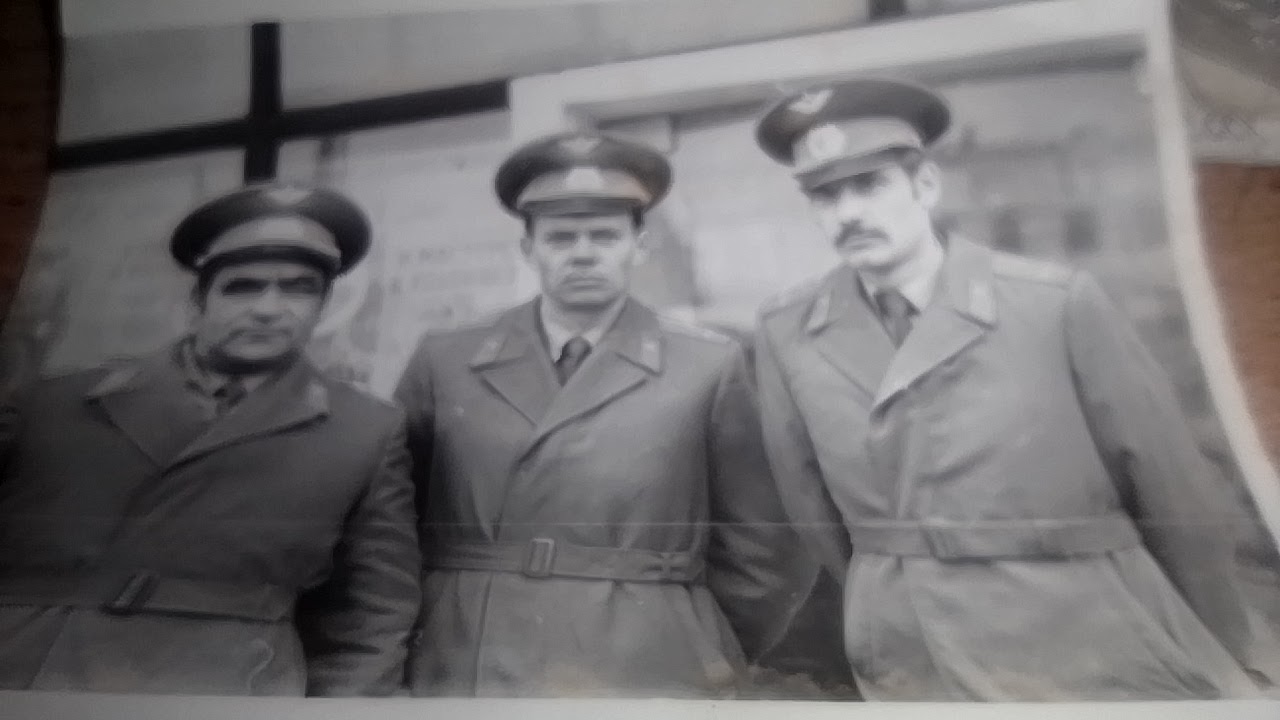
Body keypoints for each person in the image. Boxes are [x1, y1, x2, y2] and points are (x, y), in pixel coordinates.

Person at [751, 77, 1272, 700]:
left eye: (870, 185)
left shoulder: (1052, 303)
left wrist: (1229, 646)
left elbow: (1169, 488)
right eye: (825, 195)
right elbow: (814, 511)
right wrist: (889, 589)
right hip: (914, 647)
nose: (849, 213)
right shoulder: (788, 333)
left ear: (925, 186)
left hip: (1081, 628)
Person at [395, 132, 808, 698]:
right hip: (470, 651)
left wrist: (696, 638)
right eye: (560, 237)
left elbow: (764, 546)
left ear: (640, 245)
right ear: (528, 249)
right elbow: (388, 530)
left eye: (605, 236)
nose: (583, 253)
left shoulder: (707, 365)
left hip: (643, 656)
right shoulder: (446, 361)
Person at [0, 184, 421, 696]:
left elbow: (373, 616)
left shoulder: (364, 430)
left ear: (323, 305)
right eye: (242, 287)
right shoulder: (52, 404)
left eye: (298, 289)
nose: (269, 309)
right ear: (198, 299)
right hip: (35, 674)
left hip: (228, 684)